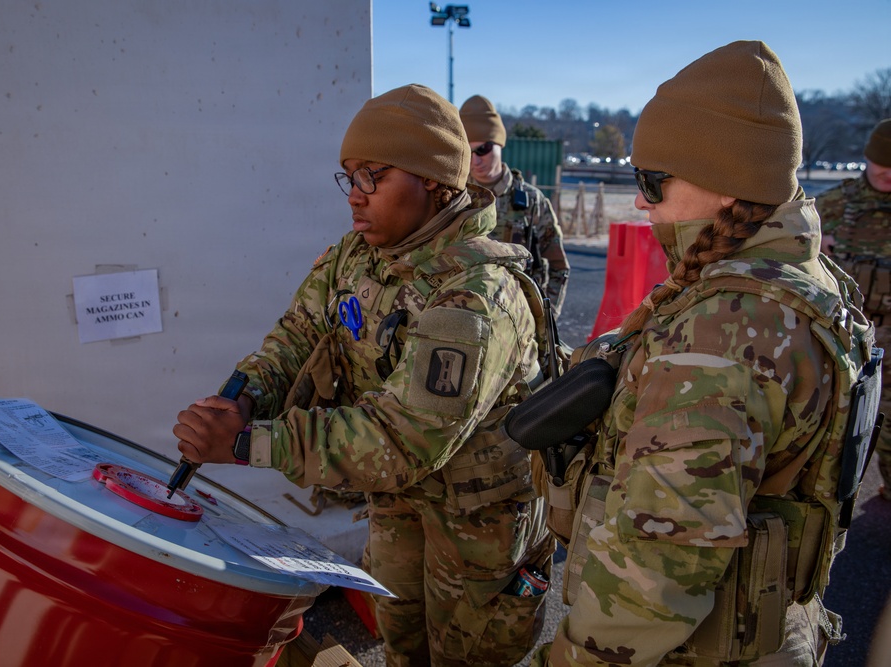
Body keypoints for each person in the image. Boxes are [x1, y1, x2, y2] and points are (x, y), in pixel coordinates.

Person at [174, 83, 555, 666]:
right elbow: (295, 338)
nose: (354, 196)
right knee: (403, 646)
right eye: (348, 177)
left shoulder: (476, 298)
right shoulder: (355, 258)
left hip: (478, 525)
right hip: (399, 502)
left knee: (466, 658)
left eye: (372, 176)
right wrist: (243, 397)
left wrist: (250, 443)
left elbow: (404, 439)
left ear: (431, 179)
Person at [527, 41, 879, 666]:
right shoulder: (806, 278)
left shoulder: (726, 331)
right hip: (769, 629)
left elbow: (654, 572)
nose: (640, 201)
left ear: (724, 184)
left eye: (652, 182)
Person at [816, 118, 891, 500]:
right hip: (846, 329)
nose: (888, 174)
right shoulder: (832, 205)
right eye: (882, 164)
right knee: (838, 421)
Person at [459, 95, 570, 324]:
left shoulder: (531, 201)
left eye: (483, 149)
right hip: (466, 317)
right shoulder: (456, 198)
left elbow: (558, 267)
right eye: (468, 152)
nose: (476, 160)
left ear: (500, 145)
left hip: (520, 322)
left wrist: (545, 320)